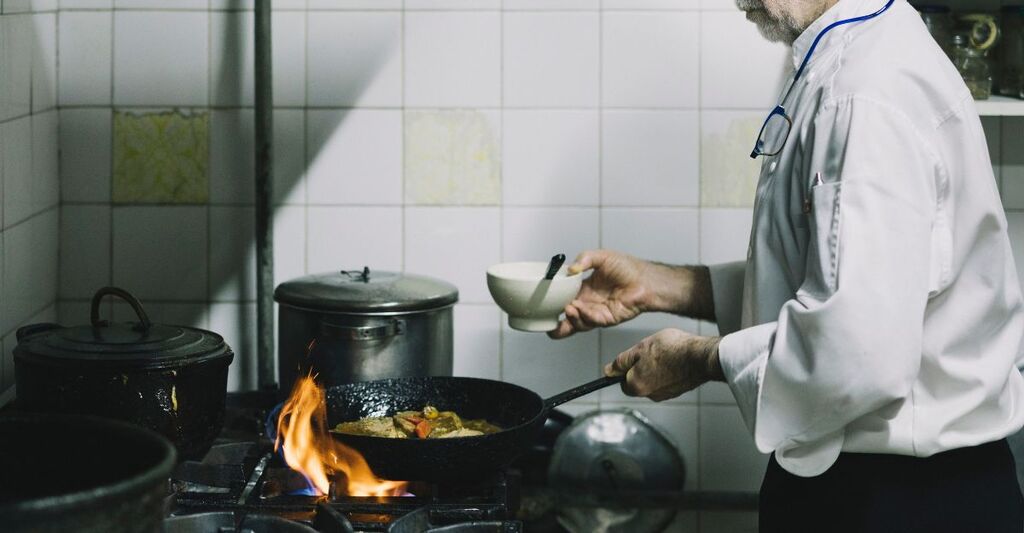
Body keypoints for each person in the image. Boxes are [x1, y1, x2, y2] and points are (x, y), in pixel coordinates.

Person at [549, 0, 1024, 531]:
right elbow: (829, 280)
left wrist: (701, 360)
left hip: (904, 500)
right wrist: (665, 286)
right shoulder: (847, 57)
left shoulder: (866, 92)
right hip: (879, 486)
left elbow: (857, 352)